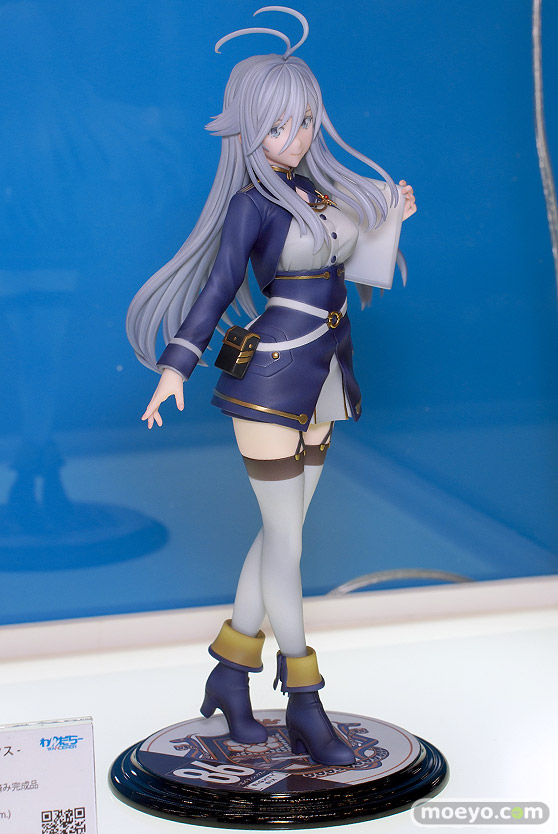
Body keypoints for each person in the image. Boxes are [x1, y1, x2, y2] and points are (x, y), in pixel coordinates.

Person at [127, 6, 416, 766]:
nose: (299, 136)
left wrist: (390, 221)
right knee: (286, 543)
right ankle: (305, 697)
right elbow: (216, 291)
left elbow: (363, 273)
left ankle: (229, 672)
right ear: (250, 129)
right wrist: (174, 367)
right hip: (271, 381)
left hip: (325, 377)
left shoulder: (319, 195)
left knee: (280, 536)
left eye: (307, 121)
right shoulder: (250, 207)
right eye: (282, 125)